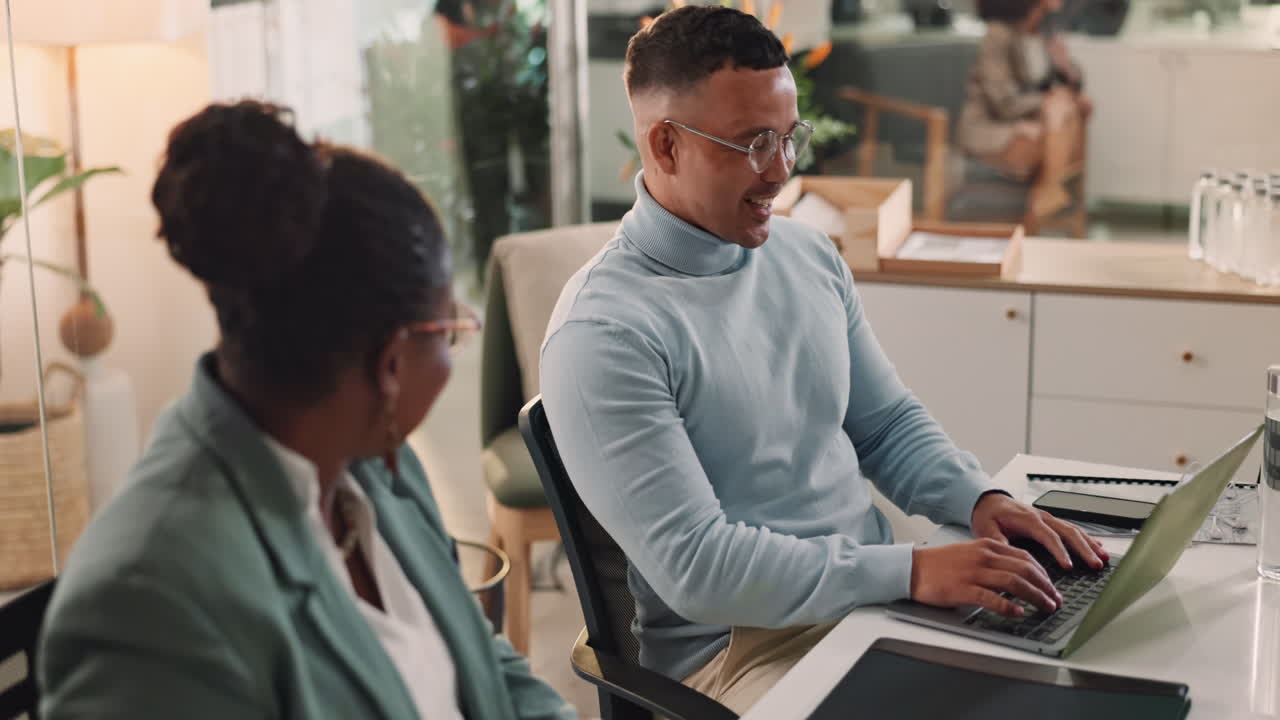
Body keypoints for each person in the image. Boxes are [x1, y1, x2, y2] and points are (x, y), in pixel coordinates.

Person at [539, 6, 1106, 714]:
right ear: (666, 145)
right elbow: (699, 569)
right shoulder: (604, 334)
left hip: (873, 604)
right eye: (753, 144)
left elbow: (886, 425)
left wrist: (979, 500)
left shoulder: (804, 252)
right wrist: (912, 571)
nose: (781, 170)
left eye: (789, 137)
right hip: (741, 653)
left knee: (1089, 680)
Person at [37, 101, 576, 720]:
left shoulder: (375, 468)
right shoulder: (149, 607)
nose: (456, 345)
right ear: (391, 364)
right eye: (449, 329)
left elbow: (478, 660)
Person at [958, 0, 1092, 220]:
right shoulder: (998, 35)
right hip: (992, 129)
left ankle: (1046, 196)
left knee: (1072, 106)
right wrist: (1049, 101)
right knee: (1062, 106)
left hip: (1034, 124)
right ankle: (1048, 195)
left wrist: (1066, 67)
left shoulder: (1043, 31)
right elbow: (1003, 102)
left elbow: (1057, 82)